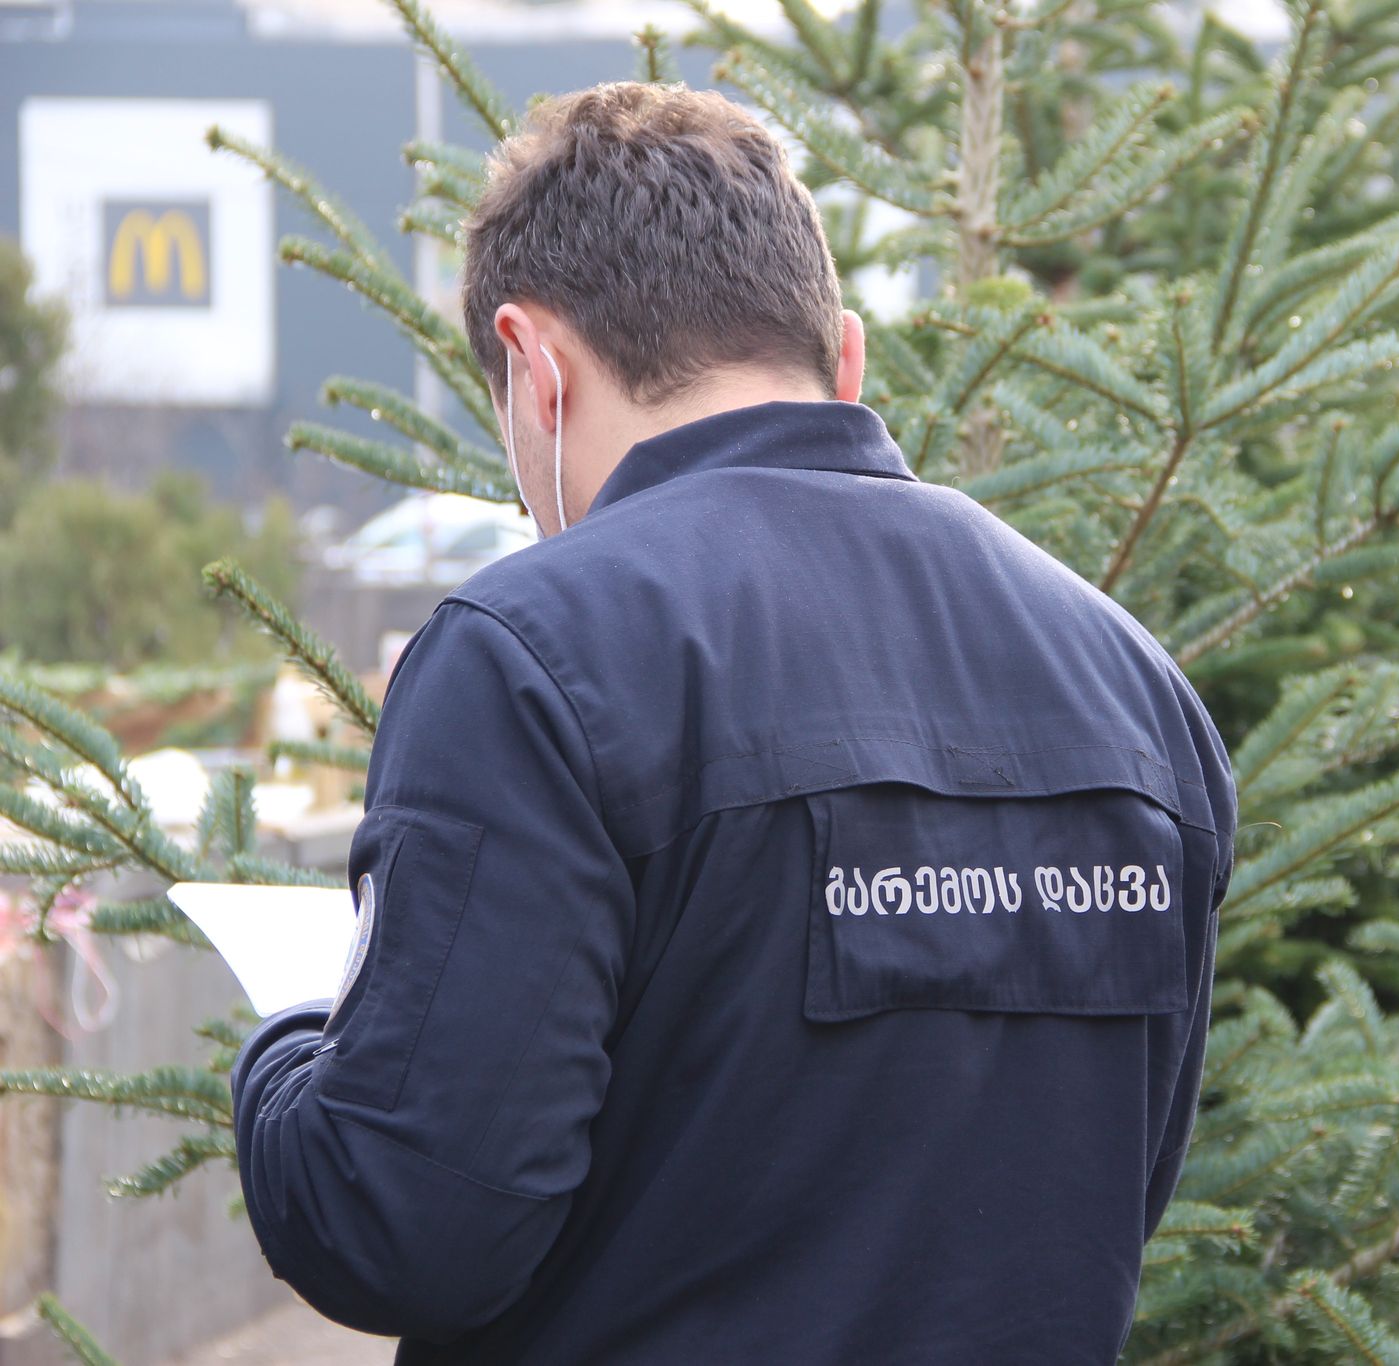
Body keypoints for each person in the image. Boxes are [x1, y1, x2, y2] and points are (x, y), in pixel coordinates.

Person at [230, 81, 1236, 1365]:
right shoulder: (1137, 689)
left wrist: (291, 1044)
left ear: (533, 366)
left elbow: (402, 1223)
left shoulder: (530, 658)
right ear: (843, 361)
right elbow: (1111, 1188)